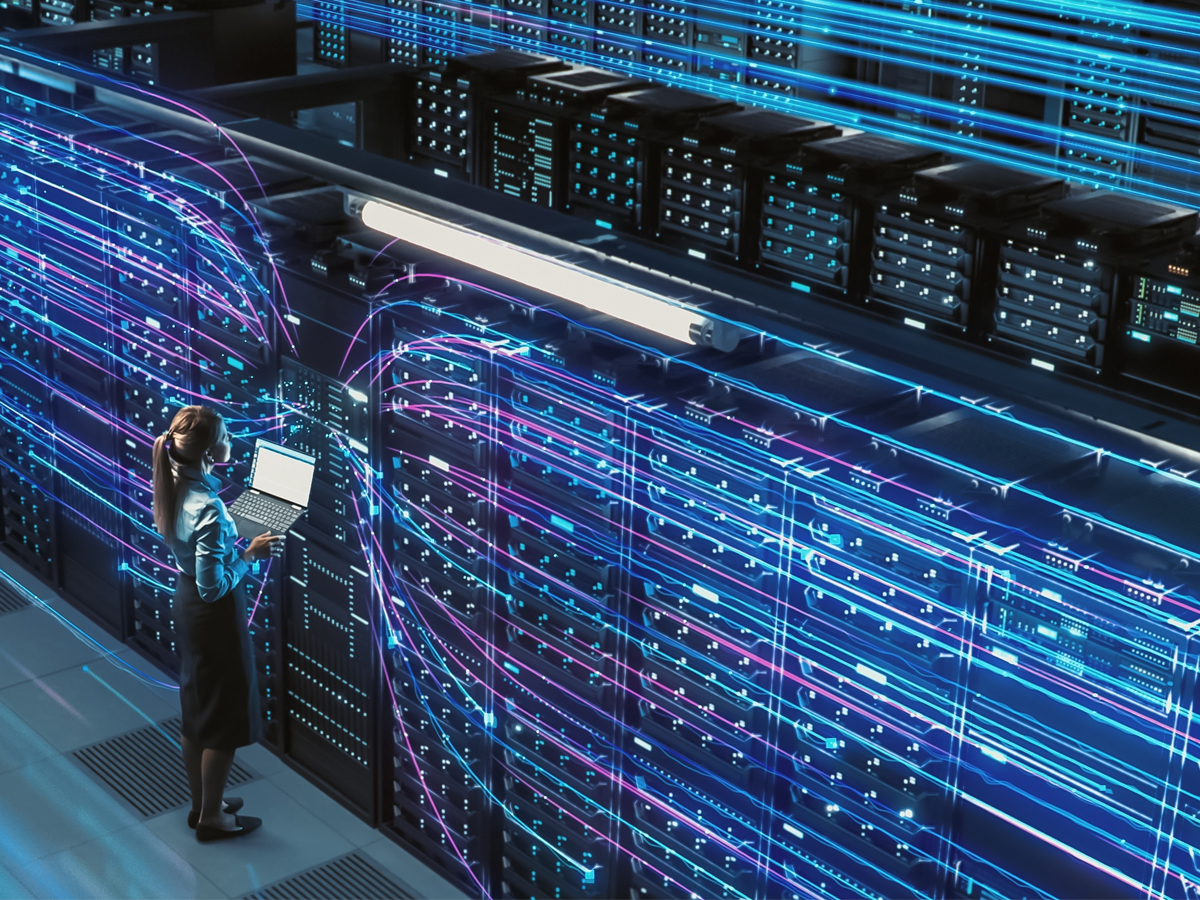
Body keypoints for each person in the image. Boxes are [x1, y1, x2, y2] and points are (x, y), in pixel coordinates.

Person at [152, 406, 283, 843]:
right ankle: (213, 818)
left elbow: (201, 569)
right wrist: (249, 554)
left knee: (198, 708)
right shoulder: (207, 508)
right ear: (211, 450)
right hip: (213, 613)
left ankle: (202, 803)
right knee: (223, 720)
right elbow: (214, 587)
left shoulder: (174, 478)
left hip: (187, 602)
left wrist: (234, 535)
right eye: (226, 433)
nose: (233, 438)